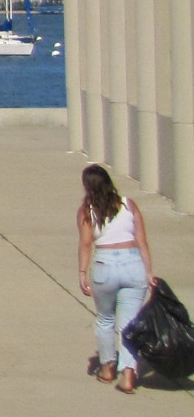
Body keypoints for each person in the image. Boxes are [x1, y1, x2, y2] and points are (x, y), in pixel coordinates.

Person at [78, 164, 156, 393]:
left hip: (105, 264)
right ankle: (128, 374)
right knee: (128, 324)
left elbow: (85, 243)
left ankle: (107, 367)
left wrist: (82, 273)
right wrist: (148, 271)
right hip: (133, 264)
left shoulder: (87, 210)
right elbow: (142, 240)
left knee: (105, 319)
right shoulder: (128, 204)